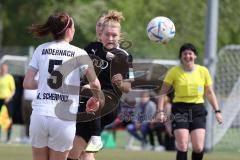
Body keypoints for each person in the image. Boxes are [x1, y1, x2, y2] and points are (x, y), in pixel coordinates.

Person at [23, 12, 103, 160]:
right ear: (68, 30)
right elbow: (95, 84)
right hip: (63, 118)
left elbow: (27, 83)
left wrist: (44, 83)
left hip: (40, 114)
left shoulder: (41, 49)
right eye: (73, 27)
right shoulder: (79, 53)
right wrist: (96, 99)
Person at [68, 10, 133, 160]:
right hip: (86, 107)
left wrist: (120, 82)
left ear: (120, 36)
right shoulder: (91, 48)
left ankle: (96, 137)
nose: (111, 38)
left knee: (92, 90)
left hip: (109, 105)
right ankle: (93, 139)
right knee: (80, 152)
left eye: (114, 35)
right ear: (100, 35)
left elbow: (129, 88)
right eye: (107, 34)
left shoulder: (125, 57)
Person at [157, 43, 223, 160]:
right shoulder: (174, 71)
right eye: (185, 54)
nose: (188, 56)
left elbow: (209, 92)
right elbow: (163, 92)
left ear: (195, 56)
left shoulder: (203, 71)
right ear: (181, 56)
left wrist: (217, 111)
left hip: (198, 109)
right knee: (182, 146)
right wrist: (160, 111)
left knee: (198, 147)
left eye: (190, 53)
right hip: (180, 110)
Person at [0, 63, 16, 142]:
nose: (3, 69)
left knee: (9, 118)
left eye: (5, 68)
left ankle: (8, 138)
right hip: (0, 100)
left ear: (7, 69)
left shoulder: (9, 77)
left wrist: (9, 98)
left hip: (7, 100)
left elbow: (13, 90)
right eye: (2, 68)